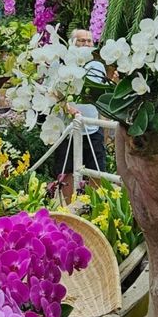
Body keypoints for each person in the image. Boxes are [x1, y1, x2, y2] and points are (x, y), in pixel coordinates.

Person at [52, 29, 109, 203]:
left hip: (92, 128)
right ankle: (68, 208)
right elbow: (53, 91)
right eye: (81, 41)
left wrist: (104, 123)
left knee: (97, 170)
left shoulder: (97, 66)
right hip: (68, 128)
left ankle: (95, 209)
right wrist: (67, 107)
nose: (85, 44)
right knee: (66, 171)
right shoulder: (62, 64)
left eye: (89, 41)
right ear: (71, 43)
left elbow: (102, 96)